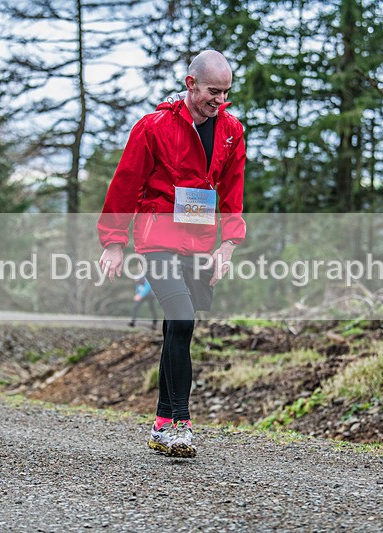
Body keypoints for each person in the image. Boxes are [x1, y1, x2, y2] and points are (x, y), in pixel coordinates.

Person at [98, 50, 246, 458]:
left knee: (177, 329)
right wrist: (114, 241)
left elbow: (233, 192)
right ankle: (180, 424)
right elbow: (125, 184)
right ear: (190, 84)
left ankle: (162, 424)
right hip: (157, 238)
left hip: (199, 242)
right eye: (213, 92)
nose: (220, 101)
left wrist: (228, 245)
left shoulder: (232, 130)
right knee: (181, 319)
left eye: (226, 93)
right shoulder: (153, 127)